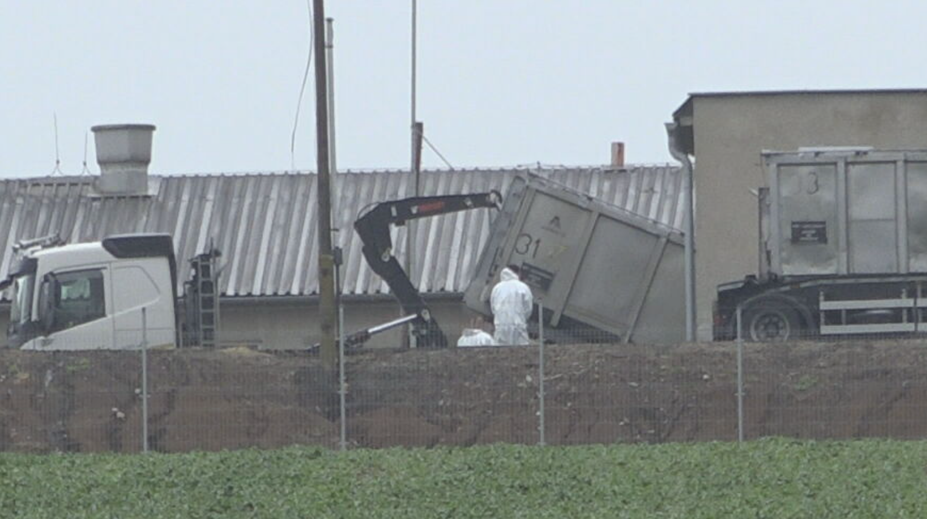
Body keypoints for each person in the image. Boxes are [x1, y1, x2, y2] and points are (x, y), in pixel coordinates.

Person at [490, 264, 533, 346]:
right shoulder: (523, 287)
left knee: (501, 350)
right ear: (518, 273)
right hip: (518, 326)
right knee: (521, 350)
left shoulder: (496, 288)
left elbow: (493, 308)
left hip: (500, 326)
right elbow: (528, 309)